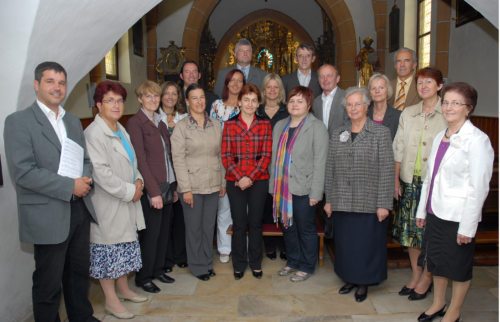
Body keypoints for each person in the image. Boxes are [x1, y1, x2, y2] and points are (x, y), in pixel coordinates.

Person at [4, 61, 100, 322]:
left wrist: (85, 179)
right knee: (49, 282)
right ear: (37, 85)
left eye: (61, 82)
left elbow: (85, 160)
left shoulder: (71, 120)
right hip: (47, 213)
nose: (57, 87)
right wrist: (70, 186)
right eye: (50, 81)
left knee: (78, 274)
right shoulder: (18, 122)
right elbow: (23, 172)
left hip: (78, 209)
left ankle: (82, 317)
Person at [415, 82, 494, 322]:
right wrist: (422, 210)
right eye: (446, 102)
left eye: (455, 103)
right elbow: (430, 178)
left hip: (458, 216)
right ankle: (438, 303)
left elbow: (478, 188)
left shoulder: (477, 140)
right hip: (436, 211)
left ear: (468, 108)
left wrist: (467, 227)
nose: (448, 107)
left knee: (457, 268)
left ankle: (454, 311)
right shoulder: (441, 135)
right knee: (436, 262)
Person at [324, 87, 393, 302]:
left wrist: (384, 203)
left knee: (366, 244)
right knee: (346, 244)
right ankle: (350, 277)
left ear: (367, 106)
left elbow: (387, 169)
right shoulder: (338, 132)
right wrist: (329, 199)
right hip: (342, 199)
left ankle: (364, 282)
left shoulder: (380, 133)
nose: (353, 108)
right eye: (350, 104)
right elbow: (330, 167)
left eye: (358, 104)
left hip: (369, 201)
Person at [85, 80, 146, 319]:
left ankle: (123, 290)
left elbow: (133, 162)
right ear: (98, 105)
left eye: (119, 100)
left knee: (123, 247)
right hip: (107, 203)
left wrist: (139, 181)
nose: (116, 105)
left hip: (127, 197)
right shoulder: (93, 133)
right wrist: (132, 191)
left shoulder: (120, 129)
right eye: (109, 100)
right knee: (108, 252)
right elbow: (102, 175)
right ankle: (111, 300)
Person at [392, 67, 447, 302]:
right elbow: (399, 147)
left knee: (429, 234)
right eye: (420, 83)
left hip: (432, 183)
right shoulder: (409, 113)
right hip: (409, 180)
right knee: (409, 233)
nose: (423, 86)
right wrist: (395, 179)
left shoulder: (447, 112)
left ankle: (427, 278)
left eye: (428, 82)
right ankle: (416, 274)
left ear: (440, 86)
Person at [270, 86, 328, 282]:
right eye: (292, 100)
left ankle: (306, 265)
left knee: (306, 228)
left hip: (305, 188)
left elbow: (321, 162)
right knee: (288, 226)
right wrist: (273, 187)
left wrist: (316, 193)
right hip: (282, 188)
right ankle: (293, 261)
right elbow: (273, 160)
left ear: (308, 105)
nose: (295, 104)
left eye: (300, 101)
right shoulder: (280, 126)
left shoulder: (317, 127)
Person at [171, 84, 225, 281]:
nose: (199, 101)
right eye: (194, 98)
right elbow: (178, 160)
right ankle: (197, 266)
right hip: (192, 187)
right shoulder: (181, 128)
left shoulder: (215, 125)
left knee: (208, 227)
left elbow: (220, 156)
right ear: (187, 101)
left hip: (213, 184)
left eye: (202, 97)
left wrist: (223, 182)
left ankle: (207, 262)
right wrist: (185, 189)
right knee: (194, 228)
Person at [126, 80, 177, 294]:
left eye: (156, 96)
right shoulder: (136, 123)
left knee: (164, 232)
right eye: (148, 96)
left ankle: (157, 269)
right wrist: (154, 192)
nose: (153, 100)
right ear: (140, 99)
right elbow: (140, 159)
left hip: (167, 185)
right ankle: (143, 276)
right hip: (152, 189)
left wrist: (173, 187)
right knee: (151, 235)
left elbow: (168, 157)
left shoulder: (161, 122)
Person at [222, 83, 272, 280]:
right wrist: (240, 177)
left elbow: (266, 155)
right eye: (246, 100)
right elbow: (225, 155)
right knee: (240, 224)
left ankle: (255, 262)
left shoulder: (265, 124)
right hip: (235, 181)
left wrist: (250, 177)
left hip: (258, 180)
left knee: (255, 223)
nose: (250, 104)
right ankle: (239, 263)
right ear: (239, 102)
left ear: (258, 103)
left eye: (254, 100)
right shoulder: (230, 124)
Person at [210, 68, 245, 263]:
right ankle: (224, 247)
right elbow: (211, 133)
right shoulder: (216, 106)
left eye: (240, 80)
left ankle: (242, 245)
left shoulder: (246, 105)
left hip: (241, 163)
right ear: (227, 83)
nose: (235, 84)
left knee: (241, 208)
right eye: (232, 80)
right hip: (220, 161)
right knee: (223, 207)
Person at [256, 73, 289, 260]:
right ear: (264, 89)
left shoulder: (288, 110)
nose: (272, 90)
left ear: (281, 90)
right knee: (265, 207)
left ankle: (284, 245)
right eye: (269, 86)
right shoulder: (257, 110)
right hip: (260, 167)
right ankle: (269, 246)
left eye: (276, 87)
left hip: (282, 167)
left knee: (283, 207)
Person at [158, 81, 188, 272]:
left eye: (174, 94)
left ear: (178, 97)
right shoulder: (154, 117)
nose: (170, 97)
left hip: (182, 173)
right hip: (164, 174)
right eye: (166, 93)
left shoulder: (183, 118)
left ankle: (181, 255)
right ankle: (166, 259)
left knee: (181, 218)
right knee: (165, 220)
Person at [312, 64, 347, 137]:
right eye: (322, 76)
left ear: (337, 79)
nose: (325, 79)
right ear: (318, 80)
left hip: (342, 146)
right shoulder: (315, 102)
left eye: (329, 76)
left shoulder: (347, 98)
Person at [367, 73, 401, 140]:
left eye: (381, 88)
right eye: (373, 88)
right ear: (370, 92)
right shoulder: (364, 114)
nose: (377, 91)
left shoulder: (398, 116)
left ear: (387, 90)